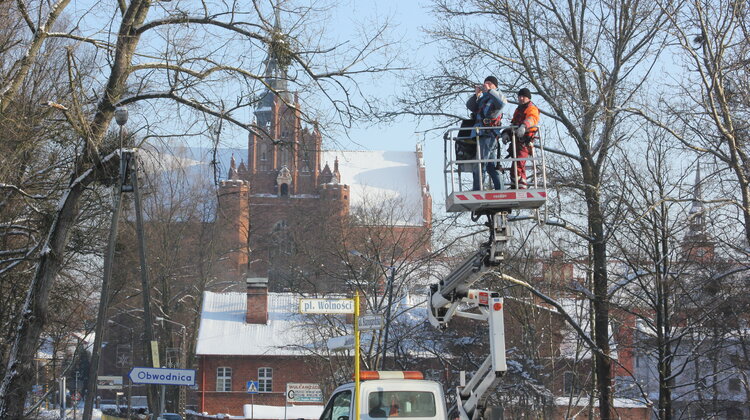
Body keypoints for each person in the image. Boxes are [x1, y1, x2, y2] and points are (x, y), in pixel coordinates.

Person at [466, 76, 507, 191]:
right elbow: (471, 106)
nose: (486, 85)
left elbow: (501, 103)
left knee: (480, 163)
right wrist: (476, 95)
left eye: (489, 83)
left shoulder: (498, 95)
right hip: (481, 134)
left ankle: (477, 189)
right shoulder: (484, 98)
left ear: (495, 85)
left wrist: (489, 90)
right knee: (491, 166)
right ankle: (500, 189)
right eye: (485, 83)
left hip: (489, 134)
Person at [504, 87, 539, 189]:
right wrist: (506, 133)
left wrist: (524, 126)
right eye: (519, 96)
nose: (521, 98)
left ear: (528, 98)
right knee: (516, 165)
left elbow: (532, 119)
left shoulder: (532, 108)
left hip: (525, 141)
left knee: (518, 164)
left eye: (523, 96)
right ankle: (517, 185)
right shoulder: (518, 109)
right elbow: (514, 123)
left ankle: (520, 185)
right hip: (516, 141)